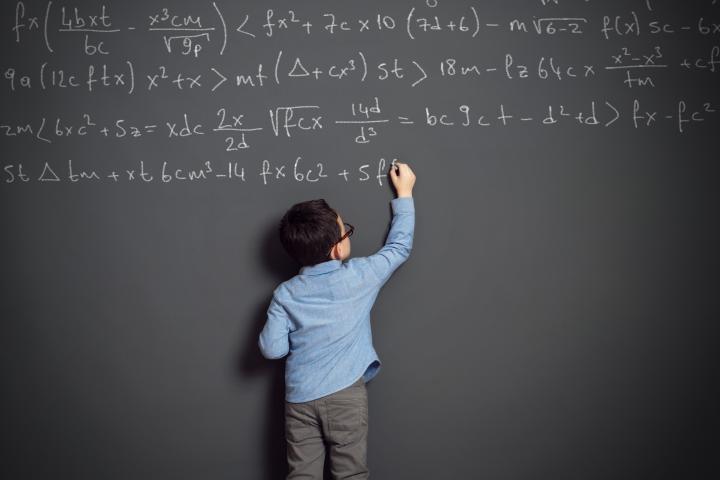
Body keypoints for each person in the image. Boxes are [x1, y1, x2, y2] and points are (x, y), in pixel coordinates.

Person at [258, 162, 416, 479]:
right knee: (350, 474)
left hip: (299, 399)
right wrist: (404, 194)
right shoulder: (359, 276)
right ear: (336, 250)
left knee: (302, 475)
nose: (347, 234)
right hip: (346, 396)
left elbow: (273, 350)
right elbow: (399, 247)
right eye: (346, 231)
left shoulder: (285, 294)